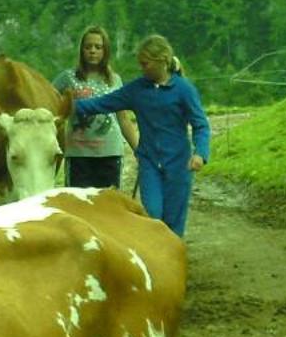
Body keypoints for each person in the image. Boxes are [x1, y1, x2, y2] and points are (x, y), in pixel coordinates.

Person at [68, 33, 210, 237]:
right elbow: (101, 103)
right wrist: (67, 106)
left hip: (179, 164)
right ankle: (154, 259)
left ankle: (170, 261)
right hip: (149, 162)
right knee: (153, 213)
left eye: (146, 64)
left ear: (162, 61)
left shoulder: (183, 90)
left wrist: (200, 153)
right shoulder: (136, 89)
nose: (142, 69)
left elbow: (201, 125)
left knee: (173, 221)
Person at [52, 25, 139, 190]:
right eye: (88, 47)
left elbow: (123, 119)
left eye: (98, 47)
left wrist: (138, 150)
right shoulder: (67, 78)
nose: (93, 51)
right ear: (81, 50)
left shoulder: (115, 80)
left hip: (110, 154)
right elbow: (48, 99)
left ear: (105, 51)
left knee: (108, 206)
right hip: (78, 155)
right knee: (78, 206)